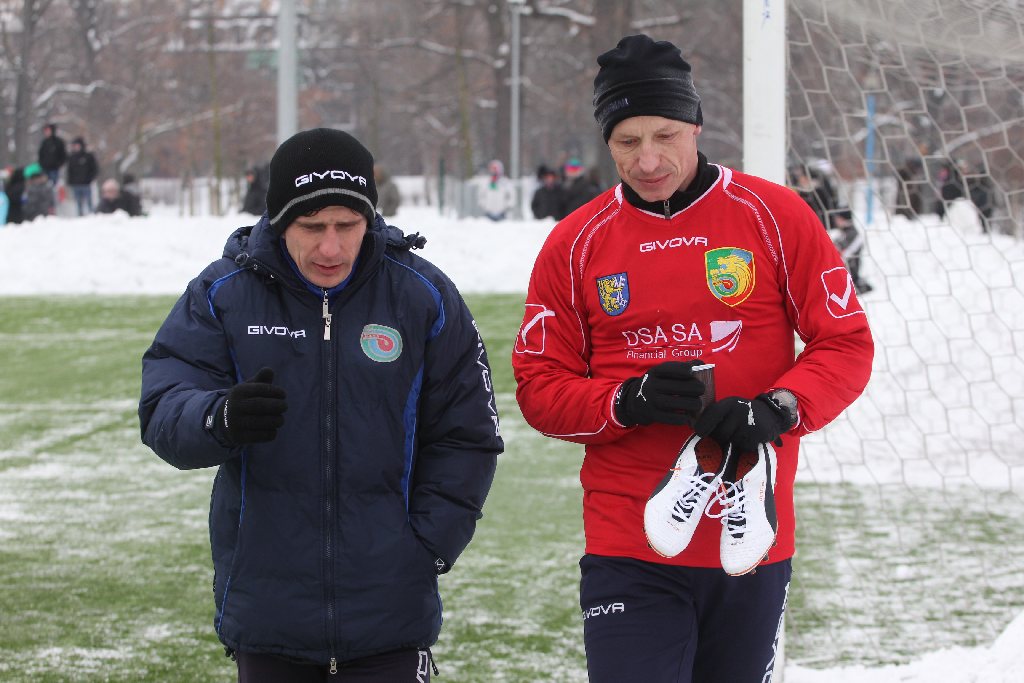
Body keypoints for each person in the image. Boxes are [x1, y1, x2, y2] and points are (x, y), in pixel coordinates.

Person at [511, 34, 873, 683]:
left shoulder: (775, 216)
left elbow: (844, 341)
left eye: (666, 135)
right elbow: (539, 385)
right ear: (606, 141)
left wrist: (780, 407)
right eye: (627, 141)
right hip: (629, 538)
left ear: (696, 125)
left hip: (750, 540)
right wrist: (625, 401)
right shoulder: (574, 244)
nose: (648, 159)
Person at [139, 127, 502, 682]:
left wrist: (425, 546)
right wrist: (220, 417)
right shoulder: (224, 293)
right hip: (269, 613)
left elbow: (468, 432)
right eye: (311, 227)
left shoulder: (422, 296)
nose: (330, 247)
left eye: (347, 225)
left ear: (370, 220)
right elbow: (164, 405)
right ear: (280, 221)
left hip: (391, 615)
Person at [790, 165, 872, 294]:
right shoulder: (794, 194)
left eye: (807, 178)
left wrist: (839, 219)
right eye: (802, 178)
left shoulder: (822, 191)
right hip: (805, 240)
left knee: (853, 237)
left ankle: (846, 276)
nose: (805, 181)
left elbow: (833, 210)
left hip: (826, 235)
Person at [66, 137, 99, 216]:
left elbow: (94, 169)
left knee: (89, 201)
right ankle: (80, 215)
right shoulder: (72, 157)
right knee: (78, 202)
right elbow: (69, 171)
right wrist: (70, 181)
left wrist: (90, 179)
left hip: (86, 183)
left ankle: (92, 215)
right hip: (76, 184)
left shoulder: (88, 156)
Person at [37, 123, 67, 187]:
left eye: (48, 130)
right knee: (44, 187)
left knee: (53, 186)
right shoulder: (44, 142)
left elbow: (63, 155)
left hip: (54, 169)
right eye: (45, 131)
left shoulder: (58, 142)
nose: (46, 132)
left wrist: (58, 164)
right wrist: (41, 164)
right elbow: (40, 155)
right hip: (44, 169)